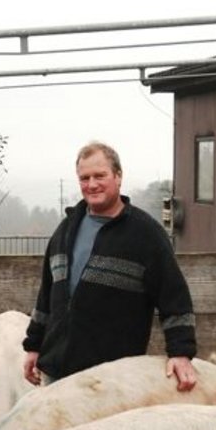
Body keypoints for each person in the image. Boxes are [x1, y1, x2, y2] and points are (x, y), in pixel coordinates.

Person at [22, 141, 199, 390]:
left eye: (100, 175)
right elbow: (47, 297)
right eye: (84, 178)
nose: (92, 184)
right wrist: (34, 346)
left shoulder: (145, 234)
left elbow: (174, 298)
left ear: (118, 176)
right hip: (56, 373)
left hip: (112, 380)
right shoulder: (66, 230)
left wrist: (181, 352)